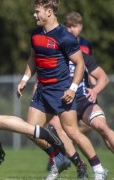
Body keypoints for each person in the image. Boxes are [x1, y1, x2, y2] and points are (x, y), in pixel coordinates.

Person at [17, 0, 107, 180]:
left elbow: (80, 64)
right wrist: (25, 78)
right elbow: (33, 57)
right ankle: (58, 157)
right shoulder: (35, 34)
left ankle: (98, 169)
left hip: (61, 92)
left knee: (73, 132)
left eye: (37, 11)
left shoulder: (65, 37)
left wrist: (73, 89)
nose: (34, 15)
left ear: (49, 12)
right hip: (42, 92)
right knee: (30, 130)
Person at [45, 10, 94, 172]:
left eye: (76, 26)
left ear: (81, 27)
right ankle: (61, 157)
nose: (72, 29)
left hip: (80, 93)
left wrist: (93, 85)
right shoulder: (60, 41)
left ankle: (92, 165)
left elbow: (87, 66)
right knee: (54, 125)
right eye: (69, 26)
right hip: (60, 90)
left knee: (88, 127)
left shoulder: (86, 45)